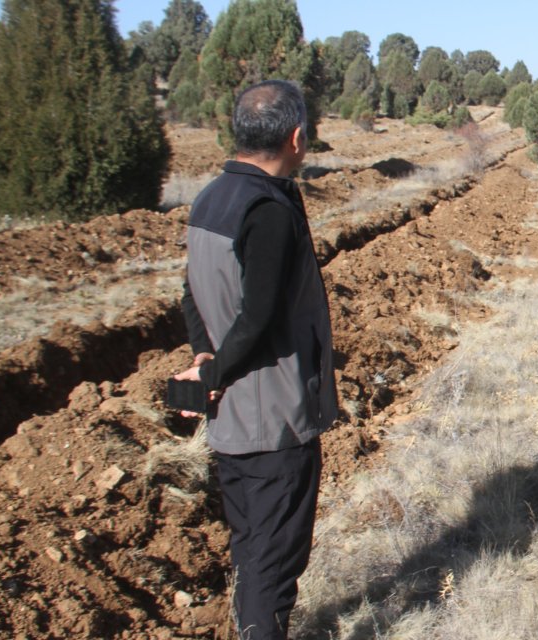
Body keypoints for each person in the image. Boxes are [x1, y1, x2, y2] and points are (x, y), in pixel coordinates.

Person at [173, 79, 337, 640]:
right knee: (274, 566)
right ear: (296, 137)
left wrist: (204, 360)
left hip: (231, 424)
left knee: (250, 550)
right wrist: (216, 370)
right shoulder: (267, 209)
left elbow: (190, 292)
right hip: (274, 423)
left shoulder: (210, 198)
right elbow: (259, 315)